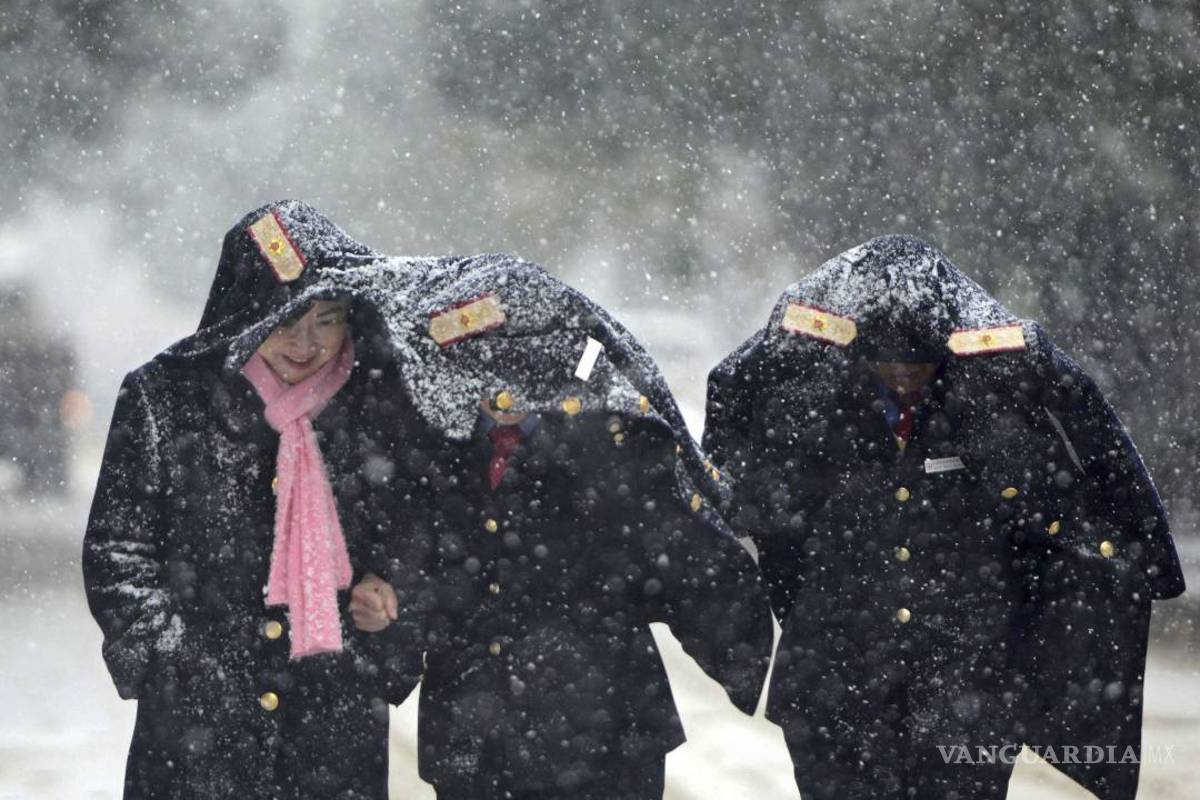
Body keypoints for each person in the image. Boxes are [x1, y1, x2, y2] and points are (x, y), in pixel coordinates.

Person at [703, 234, 1185, 799]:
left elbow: (1086, 459)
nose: (904, 379)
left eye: (919, 366)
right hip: (836, 690)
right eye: (888, 365)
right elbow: (770, 521)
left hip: (969, 695)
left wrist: (1140, 558)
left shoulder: (994, 410)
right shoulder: (809, 414)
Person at [350, 255, 773, 799]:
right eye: (479, 363)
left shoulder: (614, 447)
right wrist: (383, 621)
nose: (500, 384)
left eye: (518, 362)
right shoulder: (430, 452)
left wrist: (748, 651)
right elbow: (412, 575)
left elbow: (690, 563)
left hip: (606, 738)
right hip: (471, 743)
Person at [83, 200, 428, 799]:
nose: (306, 342)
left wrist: (392, 607)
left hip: (333, 725)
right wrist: (172, 661)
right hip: (197, 731)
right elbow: (118, 549)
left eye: (328, 318)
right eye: (285, 318)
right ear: (245, 310)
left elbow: (417, 538)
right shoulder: (164, 397)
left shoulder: (377, 408)